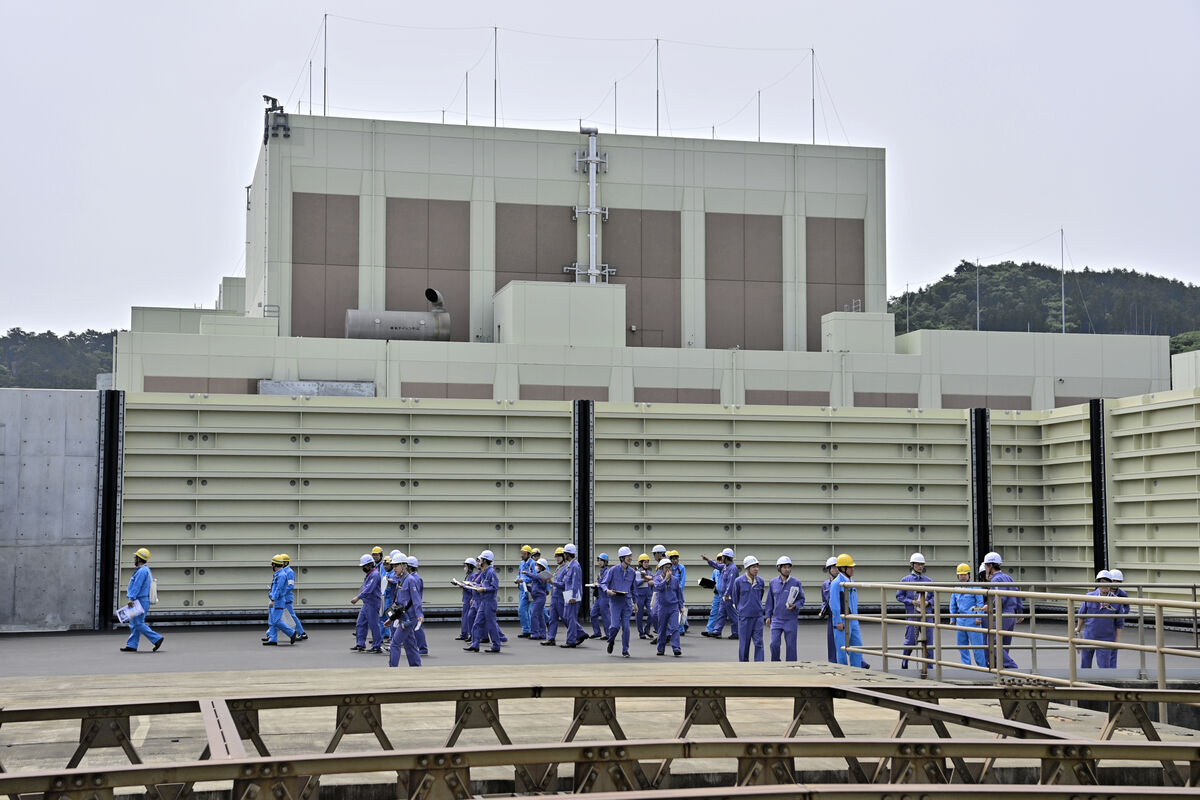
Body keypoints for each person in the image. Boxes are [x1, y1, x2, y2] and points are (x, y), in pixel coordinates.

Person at [980, 551, 1020, 669]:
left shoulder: (996, 580)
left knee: (994, 643)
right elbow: (1017, 593)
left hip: (1003, 614)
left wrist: (990, 606)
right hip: (1011, 614)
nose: (986, 568)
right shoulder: (1008, 577)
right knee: (1004, 644)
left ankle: (1011, 667)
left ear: (991, 566)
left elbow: (999, 598)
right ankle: (1002, 669)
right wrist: (1020, 611)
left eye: (987, 566)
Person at [1076, 570, 1123, 668]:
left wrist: (1117, 639)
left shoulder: (1116, 601)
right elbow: (1081, 614)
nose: (1104, 585)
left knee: (1104, 665)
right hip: (1089, 635)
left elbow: (1119, 622)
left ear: (1110, 585)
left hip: (1106, 638)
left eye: (1107, 582)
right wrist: (1078, 628)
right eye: (1102, 582)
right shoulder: (1089, 596)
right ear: (1098, 583)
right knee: (1085, 662)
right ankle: (1084, 681)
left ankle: (1104, 682)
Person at [121, 547, 164, 652]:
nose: (134, 558)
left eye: (135, 556)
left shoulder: (141, 571)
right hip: (142, 600)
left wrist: (131, 599)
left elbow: (137, 586)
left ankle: (156, 638)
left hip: (139, 600)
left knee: (137, 623)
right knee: (134, 623)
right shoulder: (146, 570)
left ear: (139, 559)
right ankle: (132, 645)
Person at [829, 553, 868, 669]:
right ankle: (843, 672)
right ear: (843, 568)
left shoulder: (851, 581)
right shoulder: (836, 583)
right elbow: (834, 604)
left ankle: (856, 671)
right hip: (842, 621)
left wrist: (856, 618)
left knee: (857, 646)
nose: (853, 569)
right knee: (841, 649)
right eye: (850, 567)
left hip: (853, 620)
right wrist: (837, 621)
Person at [765, 556, 805, 662]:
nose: (787, 569)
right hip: (777, 619)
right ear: (779, 568)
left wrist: (795, 605)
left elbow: (801, 599)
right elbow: (770, 601)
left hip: (790, 619)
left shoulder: (796, 582)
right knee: (774, 644)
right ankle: (775, 663)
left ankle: (790, 666)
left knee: (791, 646)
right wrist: (768, 616)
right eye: (784, 567)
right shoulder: (773, 583)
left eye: (788, 567)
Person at [898, 552, 933, 669]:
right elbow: (899, 596)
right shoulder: (905, 580)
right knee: (911, 640)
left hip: (926, 614)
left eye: (922, 564)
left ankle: (929, 667)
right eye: (917, 564)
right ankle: (905, 662)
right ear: (912, 565)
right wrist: (911, 601)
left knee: (928, 641)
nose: (920, 566)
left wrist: (928, 602)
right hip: (912, 614)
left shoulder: (928, 581)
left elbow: (934, 596)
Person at [466, 550, 503, 653]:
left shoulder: (491, 572)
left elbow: (495, 587)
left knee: (491, 624)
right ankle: (475, 644)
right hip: (483, 602)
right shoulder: (484, 572)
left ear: (485, 560)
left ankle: (496, 645)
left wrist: (484, 589)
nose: (479, 561)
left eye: (481, 559)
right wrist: (475, 586)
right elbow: (481, 584)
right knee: (477, 623)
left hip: (490, 602)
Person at [949, 562, 986, 666]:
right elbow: (952, 605)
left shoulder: (975, 587)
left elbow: (980, 603)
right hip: (961, 620)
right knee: (962, 645)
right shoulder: (955, 589)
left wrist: (979, 617)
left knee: (977, 646)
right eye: (961, 574)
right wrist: (952, 619)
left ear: (969, 575)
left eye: (965, 574)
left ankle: (982, 668)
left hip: (973, 620)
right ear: (958, 576)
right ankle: (966, 667)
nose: (963, 576)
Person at [386, 561, 422, 668]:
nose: (394, 568)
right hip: (403, 617)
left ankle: (392, 668)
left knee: (395, 643)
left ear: (404, 566)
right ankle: (416, 667)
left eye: (396, 566)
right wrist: (391, 618)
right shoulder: (400, 580)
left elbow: (416, 599)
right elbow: (398, 602)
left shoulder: (411, 580)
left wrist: (420, 614)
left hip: (409, 619)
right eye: (393, 566)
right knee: (410, 644)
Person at [730, 555, 766, 662]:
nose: (756, 569)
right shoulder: (738, 581)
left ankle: (759, 664)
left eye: (757, 566)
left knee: (759, 642)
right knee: (744, 643)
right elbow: (735, 598)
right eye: (753, 567)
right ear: (747, 568)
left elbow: (760, 596)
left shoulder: (761, 581)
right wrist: (742, 609)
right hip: (744, 617)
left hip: (758, 617)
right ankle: (743, 664)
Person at [603, 546, 637, 657]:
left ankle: (625, 650)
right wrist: (607, 591)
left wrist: (635, 603)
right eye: (628, 556)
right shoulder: (613, 570)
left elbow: (634, 588)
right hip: (615, 601)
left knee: (626, 627)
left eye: (631, 556)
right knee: (615, 626)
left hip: (627, 602)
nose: (630, 558)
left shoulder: (632, 572)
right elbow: (604, 583)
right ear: (622, 558)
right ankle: (611, 640)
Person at [699, 548, 738, 638]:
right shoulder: (725, 566)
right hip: (724, 596)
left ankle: (736, 633)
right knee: (721, 614)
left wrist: (727, 595)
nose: (722, 558)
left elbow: (731, 583)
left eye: (723, 556)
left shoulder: (732, 569)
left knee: (732, 616)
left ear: (726, 557)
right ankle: (717, 631)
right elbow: (716, 565)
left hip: (728, 597)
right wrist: (708, 560)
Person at [350, 554, 383, 653]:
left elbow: (369, 589)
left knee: (373, 625)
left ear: (369, 565)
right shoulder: (370, 574)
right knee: (360, 623)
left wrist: (358, 597)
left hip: (372, 602)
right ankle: (360, 644)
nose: (363, 568)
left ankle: (377, 645)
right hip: (367, 602)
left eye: (364, 566)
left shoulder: (375, 574)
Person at [263, 554, 298, 646]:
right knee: (272, 621)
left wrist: (273, 599)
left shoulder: (281, 575)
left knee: (276, 621)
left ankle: (291, 633)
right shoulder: (278, 574)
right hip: (274, 599)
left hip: (277, 601)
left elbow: (279, 589)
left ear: (274, 565)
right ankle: (273, 639)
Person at [652, 557, 683, 656]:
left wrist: (681, 606)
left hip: (673, 606)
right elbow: (658, 588)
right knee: (662, 628)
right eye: (666, 568)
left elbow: (679, 594)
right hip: (663, 607)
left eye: (670, 568)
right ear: (661, 568)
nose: (668, 570)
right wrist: (666, 579)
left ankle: (676, 648)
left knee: (675, 628)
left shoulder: (675, 580)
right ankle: (660, 648)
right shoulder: (657, 578)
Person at [559, 543, 587, 647]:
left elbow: (576, 583)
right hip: (568, 594)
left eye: (564, 554)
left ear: (567, 554)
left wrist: (573, 597)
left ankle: (570, 641)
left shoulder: (575, 566)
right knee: (566, 616)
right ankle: (581, 633)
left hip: (572, 596)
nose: (563, 556)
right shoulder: (569, 566)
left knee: (570, 618)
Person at [276, 554, 306, 641]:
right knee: (280, 616)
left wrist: (282, 593)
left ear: (286, 562)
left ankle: (302, 633)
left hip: (286, 598)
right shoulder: (283, 571)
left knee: (291, 616)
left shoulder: (289, 572)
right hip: (284, 597)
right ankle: (271, 634)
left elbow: (291, 586)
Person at [542, 547, 568, 647]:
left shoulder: (566, 568)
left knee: (565, 617)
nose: (557, 558)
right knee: (552, 618)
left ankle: (579, 633)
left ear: (564, 557)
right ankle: (551, 638)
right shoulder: (558, 568)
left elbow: (564, 584)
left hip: (561, 596)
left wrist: (553, 582)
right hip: (555, 596)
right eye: (556, 556)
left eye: (559, 556)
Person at [405, 555, 428, 654]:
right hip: (410, 607)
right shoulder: (411, 577)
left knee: (417, 628)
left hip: (413, 607)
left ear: (409, 567)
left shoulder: (416, 579)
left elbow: (416, 596)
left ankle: (422, 648)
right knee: (412, 628)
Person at [819, 556, 838, 662]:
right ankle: (832, 662)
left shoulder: (844, 583)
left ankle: (860, 662)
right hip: (831, 616)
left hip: (842, 614)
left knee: (849, 640)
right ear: (829, 570)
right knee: (831, 641)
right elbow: (824, 600)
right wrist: (822, 610)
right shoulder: (825, 585)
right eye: (833, 568)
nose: (836, 570)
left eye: (838, 568)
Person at [515, 545, 536, 637]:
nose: (522, 555)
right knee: (523, 610)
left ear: (529, 554)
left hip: (530, 589)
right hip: (523, 589)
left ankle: (531, 630)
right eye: (521, 553)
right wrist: (517, 579)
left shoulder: (533, 564)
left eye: (523, 553)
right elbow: (519, 574)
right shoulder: (522, 563)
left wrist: (523, 580)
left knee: (529, 610)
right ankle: (527, 630)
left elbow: (534, 576)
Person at [591, 553, 612, 638]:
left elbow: (605, 583)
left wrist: (597, 585)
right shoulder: (601, 572)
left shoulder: (607, 572)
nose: (599, 562)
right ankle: (597, 632)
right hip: (599, 596)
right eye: (598, 560)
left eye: (601, 561)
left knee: (605, 615)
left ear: (605, 562)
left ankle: (609, 634)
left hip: (604, 596)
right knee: (593, 614)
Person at [457, 557, 478, 641]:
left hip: (469, 598)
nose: (464, 567)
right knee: (465, 617)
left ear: (469, 566)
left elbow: (472, 588)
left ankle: (468, 634)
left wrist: (464, 586)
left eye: (465, 566)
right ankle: (464, 633)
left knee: (468, 617)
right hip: (466, 598)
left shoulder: (472, 576)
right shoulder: (469, 575)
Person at [634, 553, 654, 639]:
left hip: (649, 596)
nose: (646, 564)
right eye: (644, 562)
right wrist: (644, 579)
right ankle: (641, 632)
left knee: (652, 613)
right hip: (640, 596)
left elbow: (653, 581)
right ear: (640, 563)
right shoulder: (637, 572)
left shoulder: (649, 572)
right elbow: (635, 583)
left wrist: (648, 579)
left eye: (647, 562)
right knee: (639, 615)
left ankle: (647, 629)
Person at [668, 550, 689, 634]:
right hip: (671, 592)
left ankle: (681, 630)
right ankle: (685, 624)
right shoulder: (669, 568)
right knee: (678, 609)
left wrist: (679, 592)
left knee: (679, 609)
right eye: (672, 559)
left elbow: (683, 581)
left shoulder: (681, 568)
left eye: (676, 558)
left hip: (678, 591)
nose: (674, 560)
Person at [529, 558, 549, 640]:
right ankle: (542, 634)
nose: (536, 566)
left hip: (539, 598)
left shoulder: (542, 575)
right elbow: (535, 588)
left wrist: (526, 573)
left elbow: (534, 576)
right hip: (538, 598)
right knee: (540, 616)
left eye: (537, 565)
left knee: (534, 615)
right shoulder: (540, 575)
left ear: (541, 567)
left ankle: (535, 634)